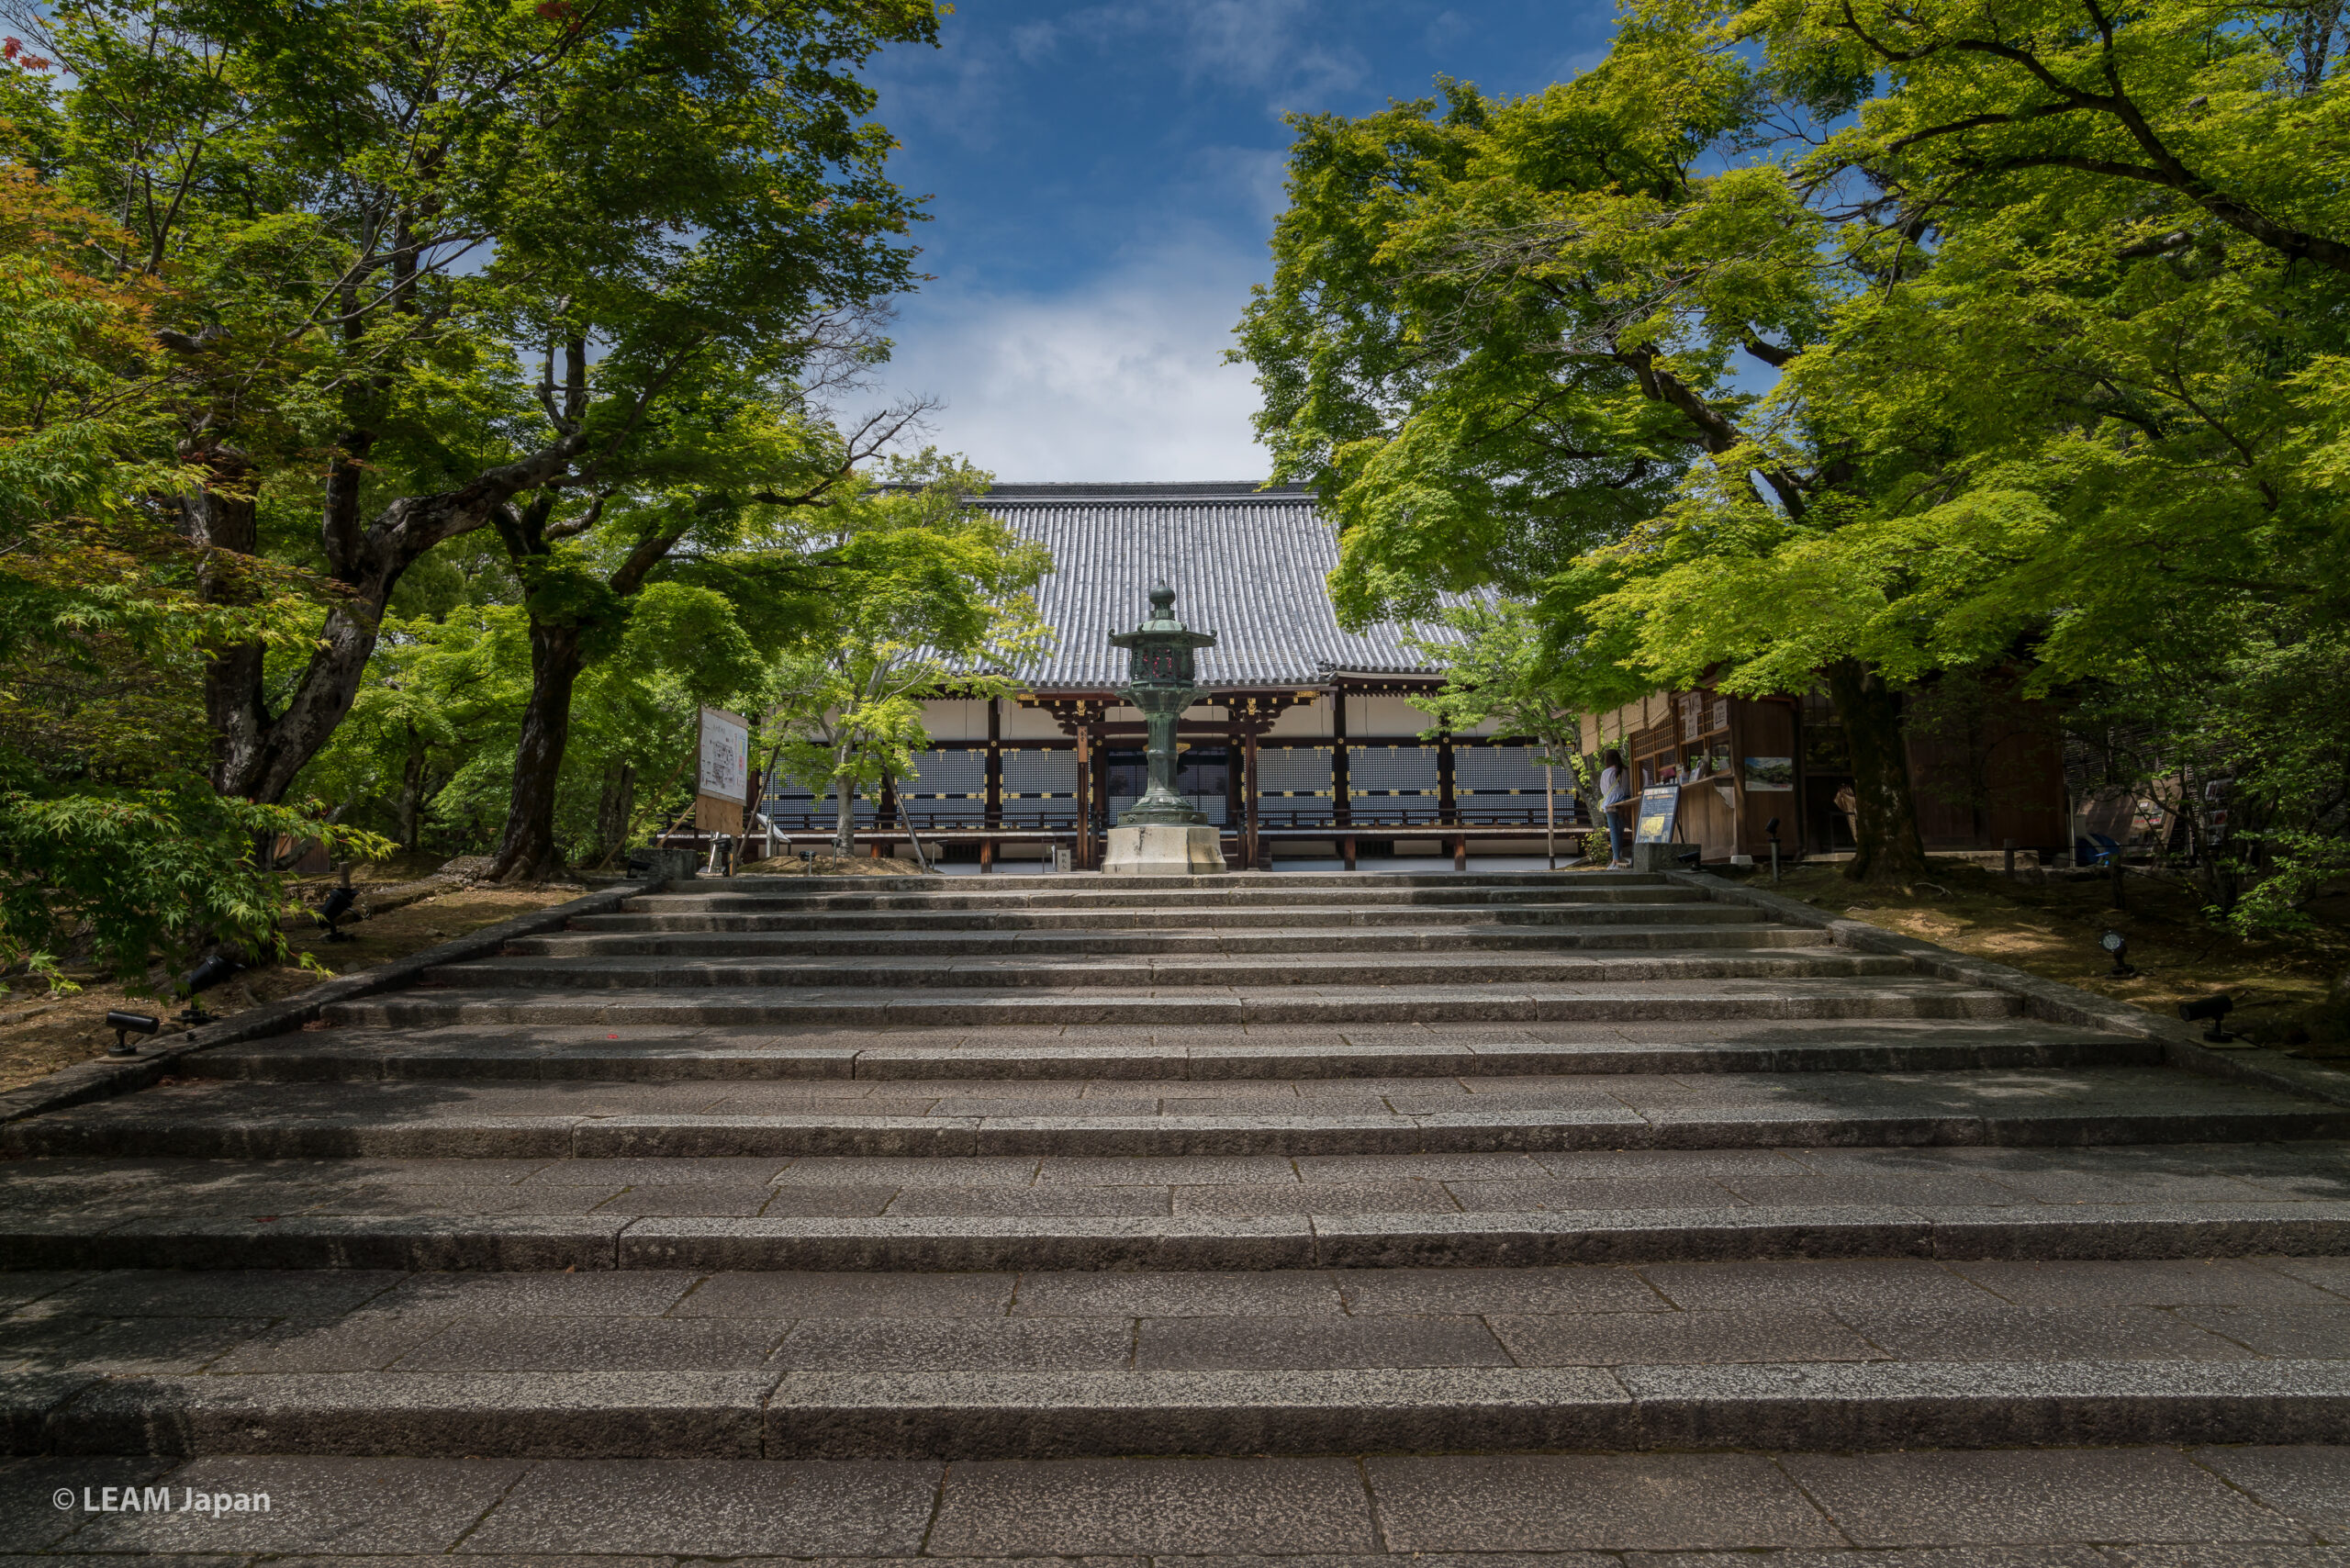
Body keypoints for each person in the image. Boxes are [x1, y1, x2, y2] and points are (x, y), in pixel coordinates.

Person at [1598, 748, 1632, 868]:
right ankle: (1618, 857)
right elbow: (1628, 788)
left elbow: (1604, 791)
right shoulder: (1625, 771)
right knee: (1620, 830)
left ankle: (1616, 858)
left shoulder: (1606, 773)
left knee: (1613, 830)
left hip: (1610, 804)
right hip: (1624, 803)